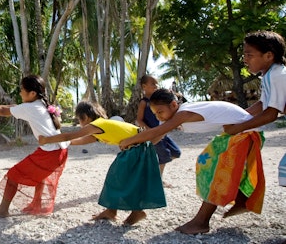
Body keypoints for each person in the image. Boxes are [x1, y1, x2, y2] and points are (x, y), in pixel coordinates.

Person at [119, 88, 266, 234]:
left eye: (160, 112)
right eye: (155, 114)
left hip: (246, 133)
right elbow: (157, 137)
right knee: (206, 164)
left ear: (174, 105)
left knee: (215, 171)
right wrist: (137, 146)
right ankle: (242, 201)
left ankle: (201, 221)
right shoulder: (175, 116)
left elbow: (156, 132)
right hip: (237, 133)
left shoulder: (183, 113)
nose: (158, 117)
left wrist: (128, 141)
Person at [40, 100, 165, 225]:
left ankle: (133, 211)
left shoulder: (96, 125)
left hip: (136, 149)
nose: (80, 123)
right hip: (139, 149)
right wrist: (62, 143)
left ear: (86, 117)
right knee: (122, 179)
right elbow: (80, 140)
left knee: (118, 178)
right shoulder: (101, 127)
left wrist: (47, 140)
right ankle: (114, 211)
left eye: (80, 119)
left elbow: (71, 136)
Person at [0, 75, 69, 218]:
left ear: (32, 93)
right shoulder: (42, 104)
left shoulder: (30, 108)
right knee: (41, 176)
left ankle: (2, 210)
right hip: (60, 150)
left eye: (22, 89)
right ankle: (36, 205)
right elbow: (11, 108)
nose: (20, 92)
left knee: (13, 174)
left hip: (51, 152)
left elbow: (3, 111)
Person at [223, 30, 286, 214]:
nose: (245, 59)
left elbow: (270, 114)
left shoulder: (277, 75)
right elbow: (262, 104)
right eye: (244, 55)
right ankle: (243, 201)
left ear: (268, 55)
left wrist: (238, 127)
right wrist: (237, 117)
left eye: (249, 55)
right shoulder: (270, 74)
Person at [136, 75, 181, 185]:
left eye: (156, 84)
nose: (156, 86)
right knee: (164, 156)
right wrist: (149, 131)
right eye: (153, 84)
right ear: (144, 86)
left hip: (163, 132)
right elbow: (139, 120)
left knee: (176, 152)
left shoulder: (161, 101)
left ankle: (152, 172)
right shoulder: (144, 102)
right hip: (154, 134)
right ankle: (157, 180)